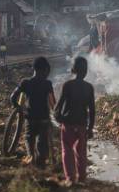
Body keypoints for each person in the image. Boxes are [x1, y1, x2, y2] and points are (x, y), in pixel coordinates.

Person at [54, 56, 95, 185]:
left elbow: (59, 106)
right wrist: (90, 128)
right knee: (81, 152)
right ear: (86, 71)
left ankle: (70, 179)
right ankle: (82, 177)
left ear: (73, 70)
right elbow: (92, 110)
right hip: (82, 124)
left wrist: (57, 117)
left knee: (67, 150)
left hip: (68, 122)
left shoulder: (67, 85)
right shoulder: (89, 87)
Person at [10, 57, 56, 167]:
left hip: (30, 119)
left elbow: (12, 97)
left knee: (29, 139)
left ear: (34, 68)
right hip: (44, 120)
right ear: (45, 69)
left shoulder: (25, 82)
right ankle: (41, 165)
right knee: (42, 146)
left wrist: (18, 108)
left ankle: (31, 160)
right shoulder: (47, 83)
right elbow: (53, 103)